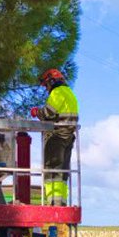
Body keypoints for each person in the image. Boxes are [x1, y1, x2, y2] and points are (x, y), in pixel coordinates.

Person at [31, 67, 79, 205]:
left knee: (51, 169)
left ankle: (52, 202)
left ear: (51, 82)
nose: (46, 88)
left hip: (57, 136)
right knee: (63, 170)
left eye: (46, 85)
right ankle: (61, 202)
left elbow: (48, 113)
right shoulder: (70, 94)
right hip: (69, 136)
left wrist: (36, 112)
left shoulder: (57, 93)